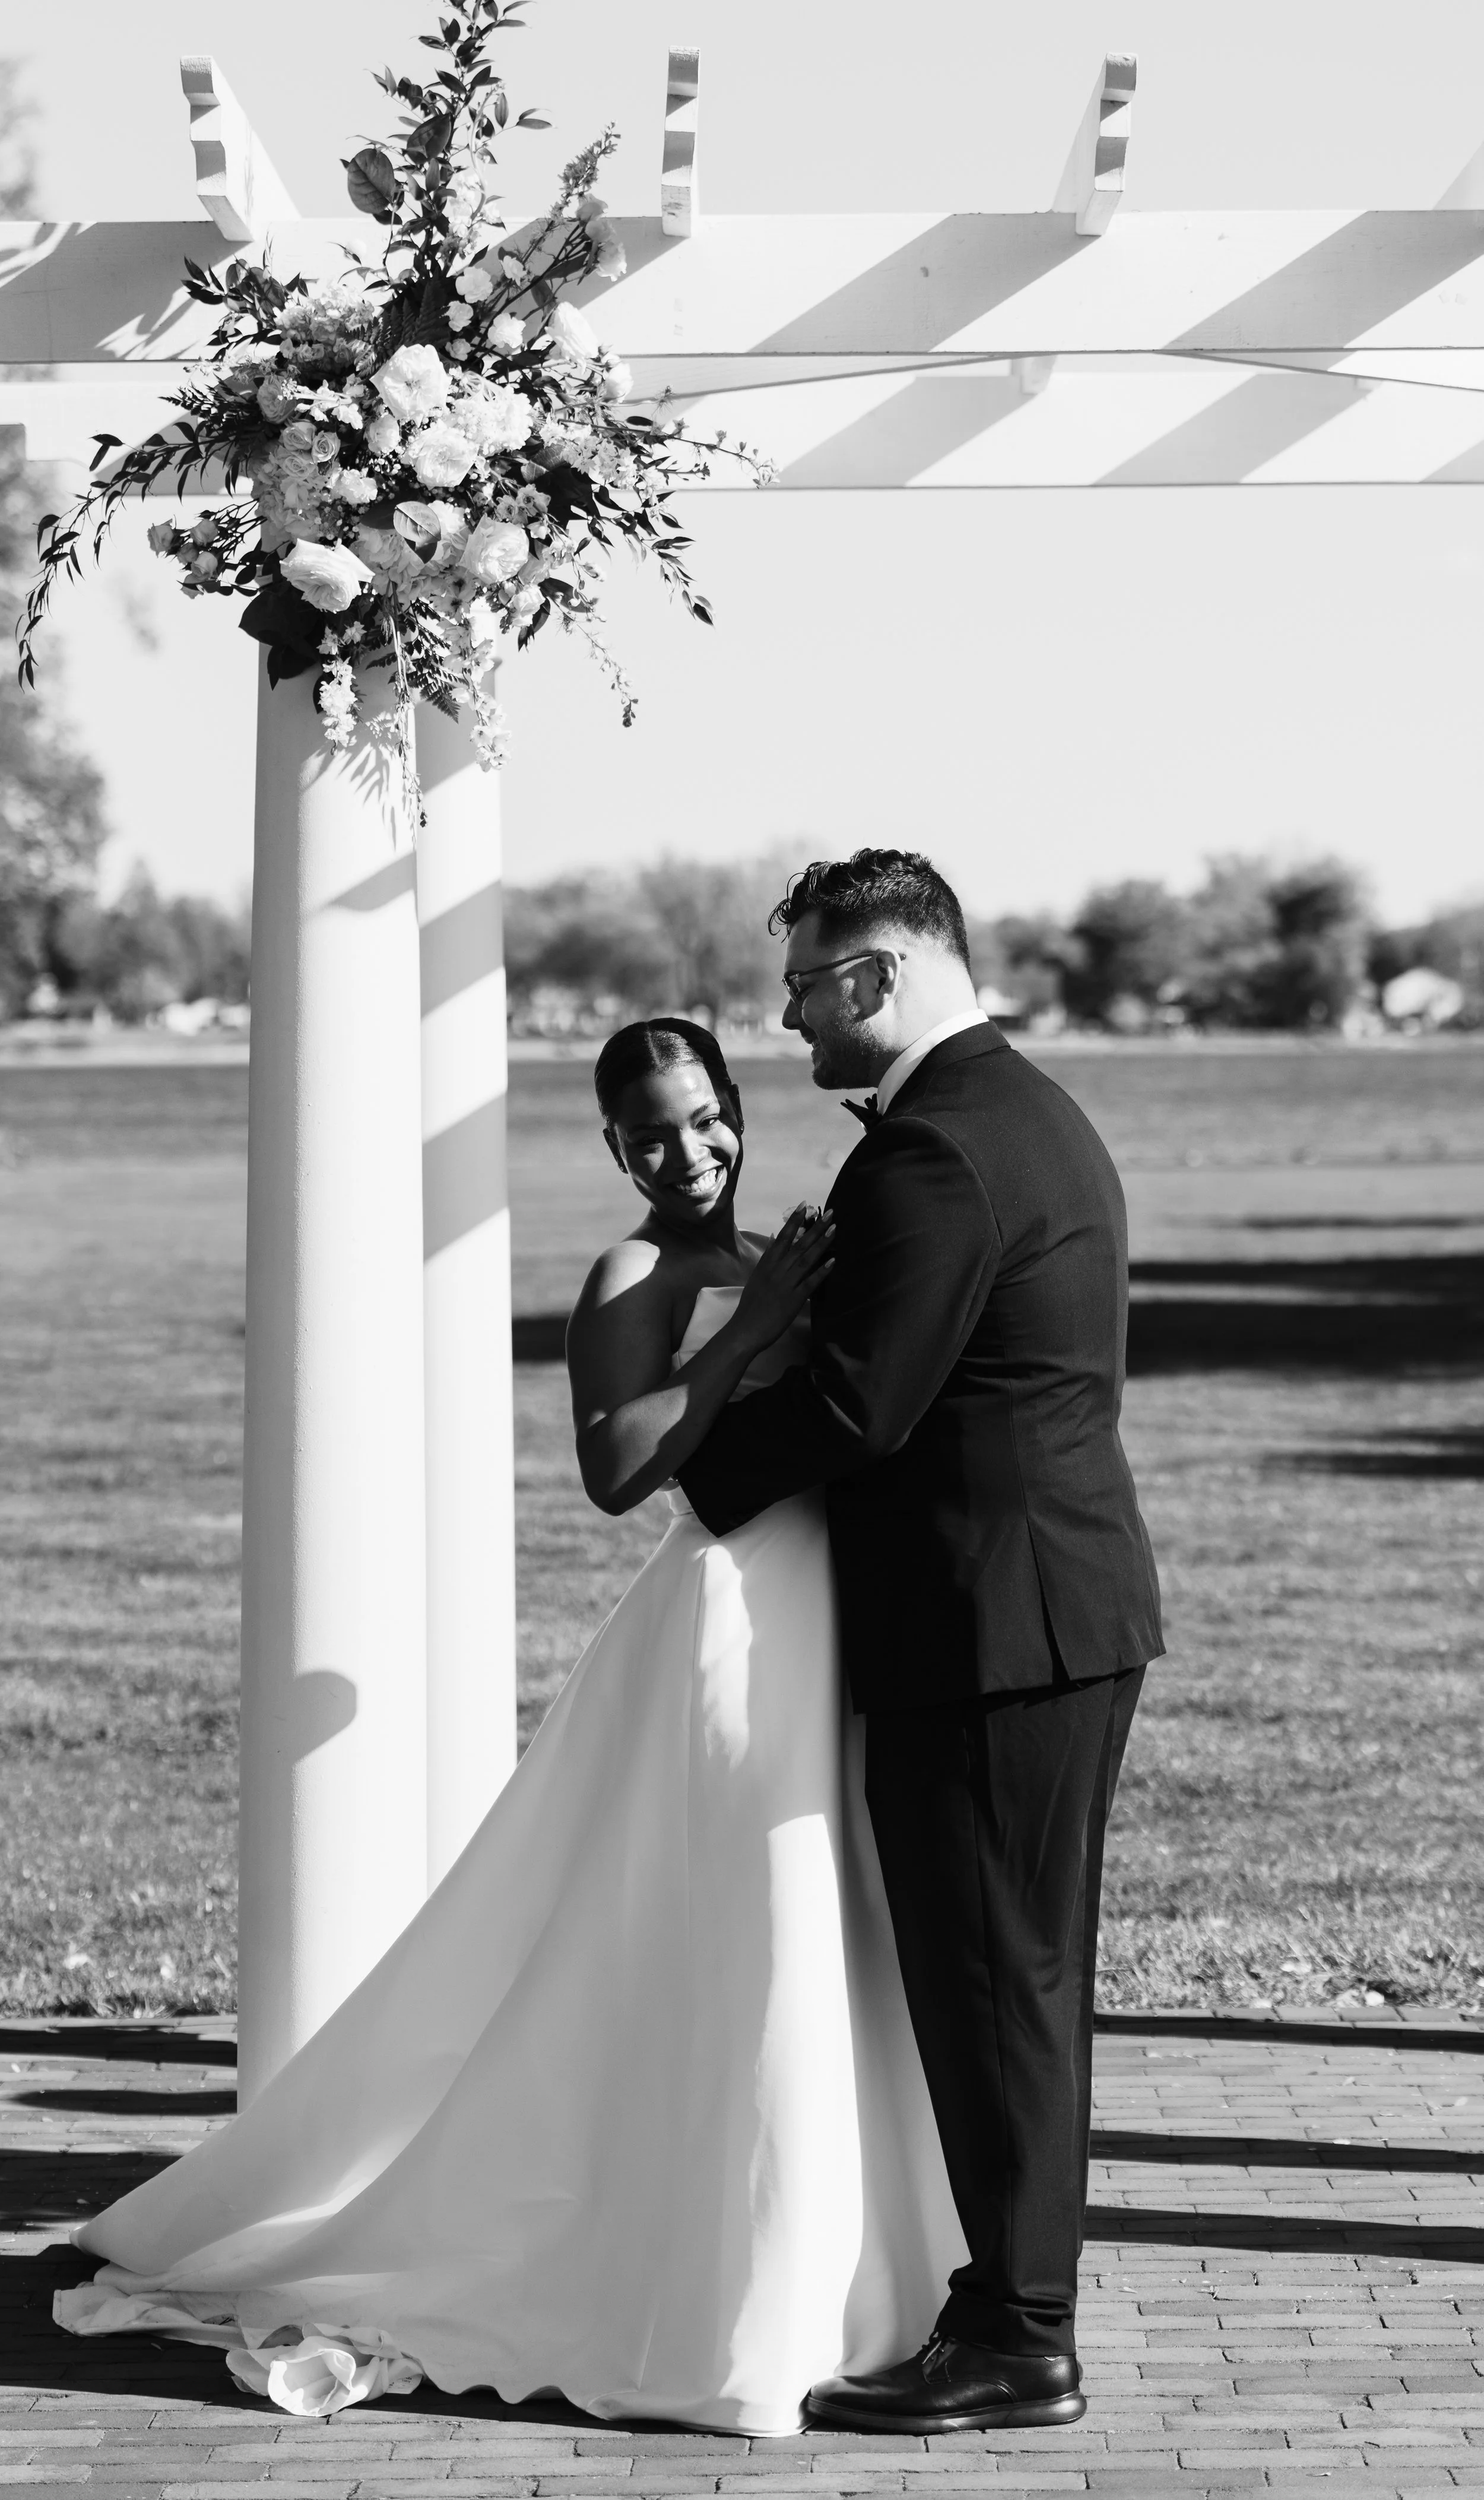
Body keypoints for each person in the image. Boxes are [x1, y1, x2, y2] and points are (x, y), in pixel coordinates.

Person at [53, 1015, 965, 2434]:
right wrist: (762, 1331)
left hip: (831, 1611)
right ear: (613, 1147)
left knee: (832, 1927)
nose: (688, 1149)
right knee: (745, 1930)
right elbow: (615, 1467)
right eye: (650, 1132)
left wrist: (795, 1298)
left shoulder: (781, 1244)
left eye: (704, 1115)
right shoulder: (636, 1271)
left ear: (737, 1103)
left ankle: (853, 2259)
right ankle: (715, 2277)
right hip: (733, 1616)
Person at [679, 850, 1163, 2436]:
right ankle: (1005, 2298)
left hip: (989, 1623)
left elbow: (855, 1404)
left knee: (994, 1981)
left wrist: (697, 1471)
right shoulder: (1015, 1109)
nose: (791, 1019)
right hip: (1040, 1611)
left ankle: (1021, 2334)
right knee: (1015, 1979)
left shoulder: (941, 1154)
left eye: (808, 987)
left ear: (882, 975)